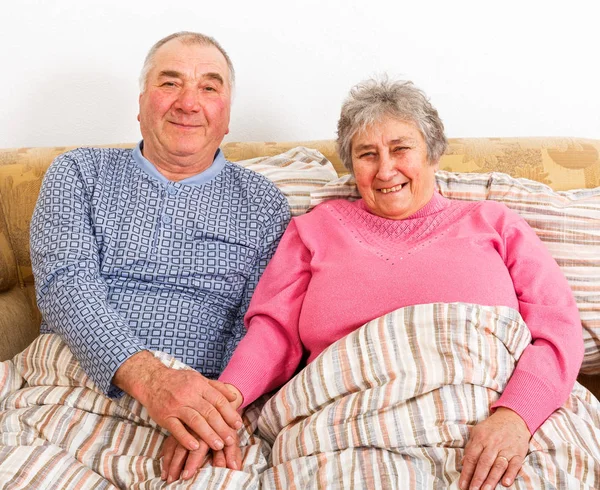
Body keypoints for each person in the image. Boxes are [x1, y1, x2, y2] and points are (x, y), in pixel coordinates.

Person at [161, 77, 584, 488]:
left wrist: (516, 416)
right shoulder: (315, 230)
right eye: (367, 154)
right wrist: (222, 405)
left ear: (432, 154)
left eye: (401, 149)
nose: (386, 170)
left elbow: (559, 331)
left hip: (490, 414)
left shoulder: (494, 223)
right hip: (347, 421)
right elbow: (273, 333)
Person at [30, 31, 290, 475]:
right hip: (75, 388)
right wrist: (152, 381)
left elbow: (262, 324)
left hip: (201, 414)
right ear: (140, 103)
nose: (188, 102)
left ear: (227, 115)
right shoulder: (78, 173)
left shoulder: (264, 204)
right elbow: (66, 286)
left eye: (209, 87)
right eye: (170, 83)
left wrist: (215, 414)